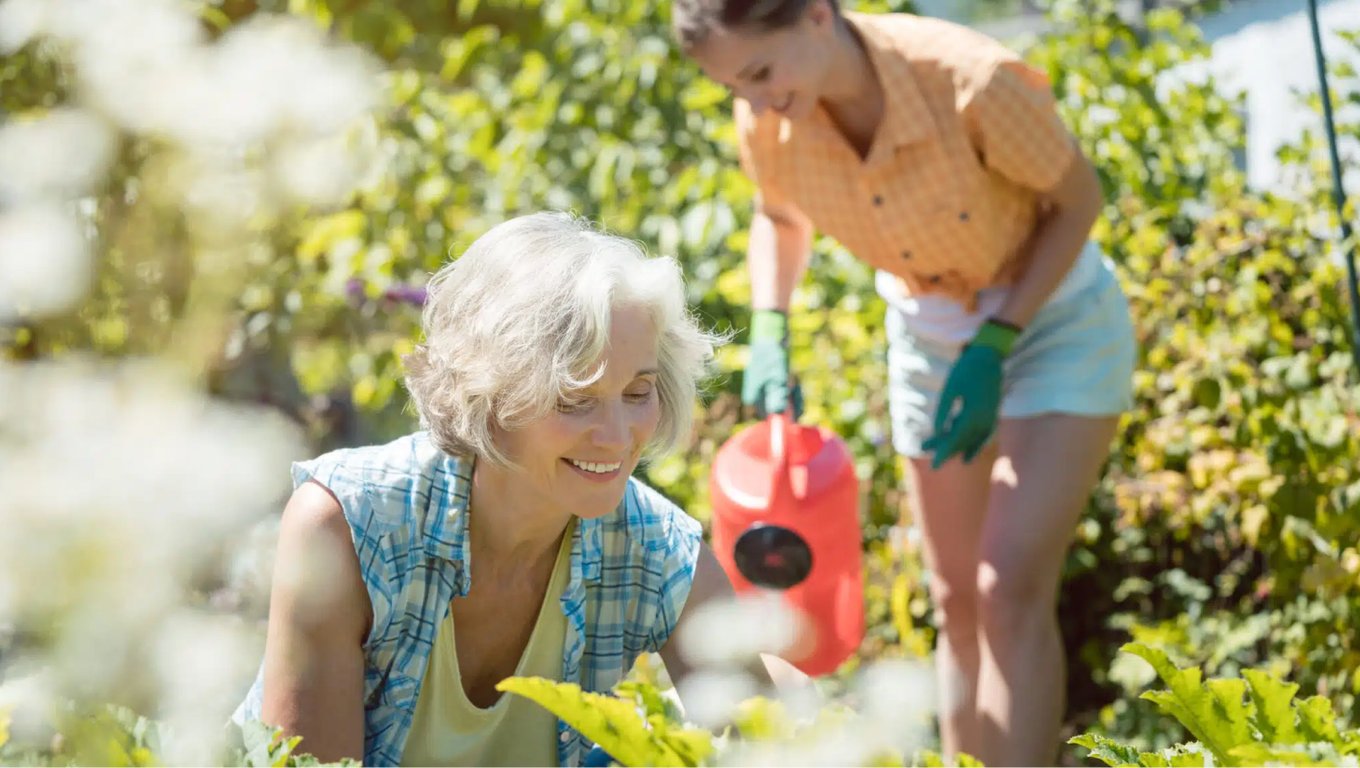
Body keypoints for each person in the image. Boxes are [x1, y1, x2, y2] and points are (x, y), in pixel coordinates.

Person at [670, 2, 1137, 764]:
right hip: (929, 335)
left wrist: (998, 338)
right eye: (733, 85)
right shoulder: (769, 113)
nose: (752, 103)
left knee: (1007, 584)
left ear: (817, 14)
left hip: (1055, 323)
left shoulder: (972, 83)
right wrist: (769, 326)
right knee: (954, 598)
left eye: (759, 72)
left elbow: (1079, 199)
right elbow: (779, 218)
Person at [232, 212, 759, 766]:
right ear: (493, 393)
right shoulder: (351, 524)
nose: (615, 437)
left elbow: (771, 737)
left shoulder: (659, 552)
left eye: (637, 392)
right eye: (574, 398)